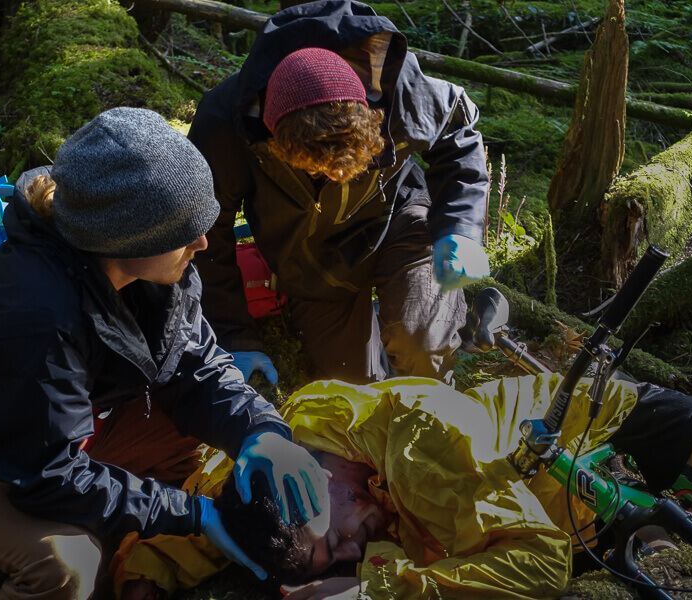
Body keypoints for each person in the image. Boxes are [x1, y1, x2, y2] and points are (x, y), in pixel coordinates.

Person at [0, 107, 329, 600]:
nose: (201, 242)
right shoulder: (31, 315)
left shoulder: (156, 268)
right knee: (68, 566)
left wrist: (259, 431)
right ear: (124, 236)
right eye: (184, 232)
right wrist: (192, 515)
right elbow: (47, 473)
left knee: (213, 443)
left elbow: (196, 364)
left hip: (70, 431)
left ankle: (131, 534)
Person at [110, 374, 692, 600]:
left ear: (331, 489)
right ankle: (645, 527)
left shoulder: (422, 447)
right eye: (343, 556)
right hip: (548, 513)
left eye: (342, 545)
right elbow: (222, 521)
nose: (354, 555)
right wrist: (143, 576)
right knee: (652, 534)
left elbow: (541, 565)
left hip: (576, 425)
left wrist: (378, 589)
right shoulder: (270, 460)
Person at [188, 0, 491, 386]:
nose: (341, 176)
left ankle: (438, 337)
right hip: (309, 263)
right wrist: (235, 337)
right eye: (321, 171)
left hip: (395, 221)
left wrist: (459, 227)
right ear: (275, 143)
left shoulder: (399, 88)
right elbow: (204, 239)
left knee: (422, 350)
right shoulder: (224, 125)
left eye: (353, 165)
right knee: (352, 385)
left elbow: (457, 133)